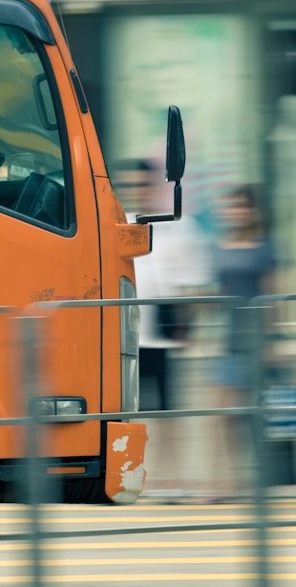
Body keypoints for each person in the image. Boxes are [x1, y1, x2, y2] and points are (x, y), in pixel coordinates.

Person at [115, 159, 211, 494]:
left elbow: (195, 281)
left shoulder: (178, 227)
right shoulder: (118, 223)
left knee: (169, 414)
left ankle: (174, 480)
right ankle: (128, 479)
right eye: (130, 184)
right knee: (124, 415)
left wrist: (189, 326)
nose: (137, 190)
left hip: (163, 338)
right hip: (124, 337)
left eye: (142, 183)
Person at [209, 185, 279, 499]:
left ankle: (260, 480)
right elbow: (215, 293)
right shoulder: (219, 246)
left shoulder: (265, 248)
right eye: (231, 206)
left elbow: (274, 296)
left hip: (258, 340)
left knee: (257, 415)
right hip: (229, 339)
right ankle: (229, 481)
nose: (236, 212)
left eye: (242, 206)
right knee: (224, 416)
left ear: (253, 211)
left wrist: (276, 340)